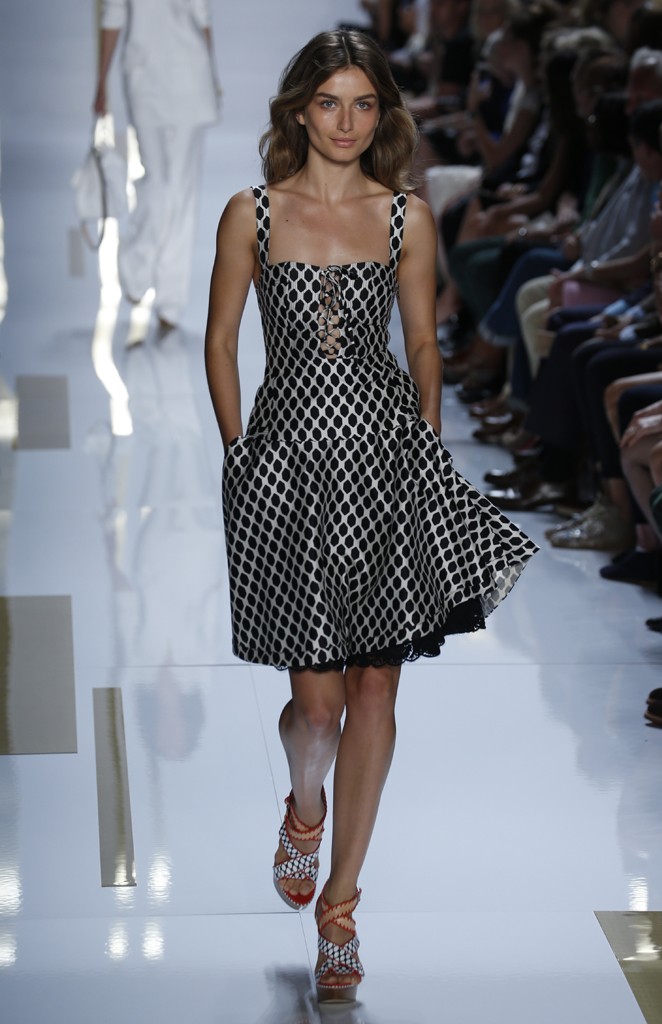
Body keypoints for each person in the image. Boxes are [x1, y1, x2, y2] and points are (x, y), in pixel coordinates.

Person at [204, 29, 536, 1002]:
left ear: (379, 114)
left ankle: (340, 909)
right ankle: (303, 808)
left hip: (386, 464)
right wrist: (238, 453)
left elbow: (424, 344)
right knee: (318, 707)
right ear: (297, 111)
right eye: (328, 103)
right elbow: (220, 340)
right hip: (288, 470)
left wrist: (426, 442)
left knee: (376, 690)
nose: (345, 122)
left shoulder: (405, 217)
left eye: (362, 104)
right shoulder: (252, 214)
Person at [94, 0, 220, 329]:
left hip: (173, 76)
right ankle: (141, 271)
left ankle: (168, 301)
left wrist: (102, 80)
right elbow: (201, 16)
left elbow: (113, 16)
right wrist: (102, 81)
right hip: (155, 77)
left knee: (174, 187)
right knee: (164, 186)